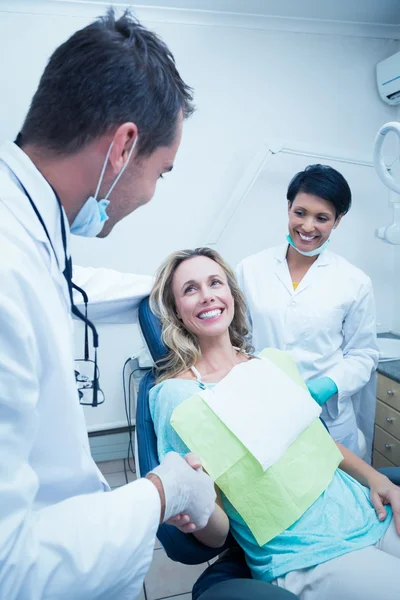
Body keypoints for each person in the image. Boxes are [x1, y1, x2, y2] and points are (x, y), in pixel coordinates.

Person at [0, 10, 217, 600]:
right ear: (123, 146)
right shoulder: (8, 267)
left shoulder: (32, 228)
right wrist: (161, 491)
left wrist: (168, 281)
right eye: (161, 173)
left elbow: (72, 281)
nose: (150, 193)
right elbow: (9, 570)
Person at [148, 246, 400, 600]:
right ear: (176, 310)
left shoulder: (271, 363)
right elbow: (217, 533)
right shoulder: (177, 397)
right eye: (190, 289)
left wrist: (379, 481)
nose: (207, 296)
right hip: (307, 554)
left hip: (369, 511)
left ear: (231, 295)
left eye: (214, 283)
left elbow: (319, 442)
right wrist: (198, 511)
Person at [236, 164, 379, 458]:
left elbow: (363, 354)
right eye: (300, 212)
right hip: (265, 410)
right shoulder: (250, 269)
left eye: (322, 218)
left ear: (338, 221)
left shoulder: (354, 282)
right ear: (288, 208)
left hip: (327, 418)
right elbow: (237, 339)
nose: (308, 226)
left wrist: (328, 385)